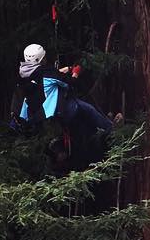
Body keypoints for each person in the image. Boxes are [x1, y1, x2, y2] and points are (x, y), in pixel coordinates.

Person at [9, 43, 118, 173]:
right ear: (40, 59)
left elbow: (42, 80)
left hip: (46, 117)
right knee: (88, 108)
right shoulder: (46, 73)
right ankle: (112, 129)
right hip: (62, 111)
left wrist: (61, 71)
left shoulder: (23, 75)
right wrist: (75, 72)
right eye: (44, 57)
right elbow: (70, 83)